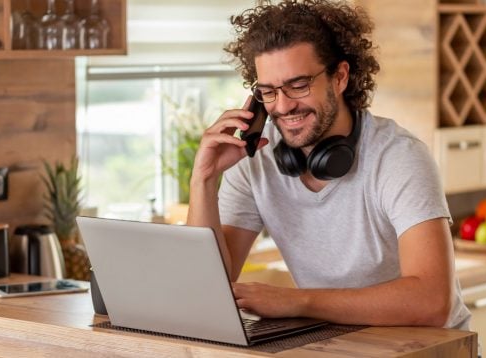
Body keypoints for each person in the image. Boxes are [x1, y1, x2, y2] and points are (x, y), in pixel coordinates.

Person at [187, 0, 471, 330]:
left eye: (299, 85)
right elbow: (205, 290)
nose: (283, 105)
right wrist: (204, 178)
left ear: (340, 77)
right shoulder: (254, 158)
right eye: (268, 92)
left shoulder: (398, 157)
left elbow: (432, 302)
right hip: (343, 345)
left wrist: (297, 301)